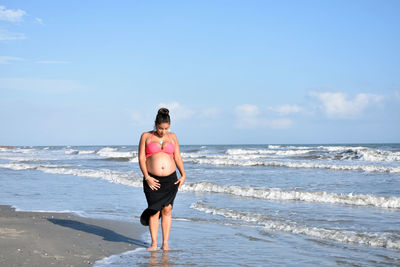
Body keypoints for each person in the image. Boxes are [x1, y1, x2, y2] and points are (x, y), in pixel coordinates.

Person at [138, 107, 186, 251]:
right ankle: (153, 244)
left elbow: (177, 156)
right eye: (160, 128)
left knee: (167, 210)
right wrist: (147, 177)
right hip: (152, 180)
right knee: (154, 211)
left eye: (166, 128)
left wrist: (183, 174)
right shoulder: (146, 136)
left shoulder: (173, 137)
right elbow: (141, 157)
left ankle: (165, 243)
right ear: (155, 124)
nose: (163, 131)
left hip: (170, 180)